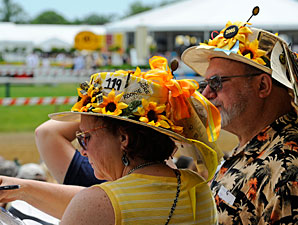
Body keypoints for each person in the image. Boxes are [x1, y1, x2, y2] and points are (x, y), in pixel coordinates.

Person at [0, 56, 222, 224]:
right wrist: (23, 189)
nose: (83, 150)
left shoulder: (102, 201)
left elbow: (100, 205)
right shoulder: (197, 187)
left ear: (124, 138)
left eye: (86, 137)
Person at [182, 20, 298, 224]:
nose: (205, 93)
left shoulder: (288, 170)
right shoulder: (254, 145)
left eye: (216, 82)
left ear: (262, 86)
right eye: (205, 84)